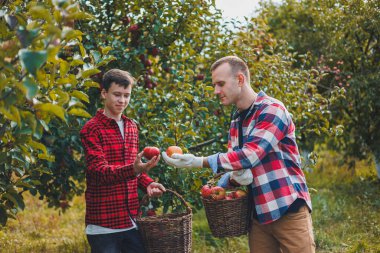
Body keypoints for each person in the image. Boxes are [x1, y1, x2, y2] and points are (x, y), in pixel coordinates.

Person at [162, 56, 316, 253]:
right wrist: (222, 184)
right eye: (214, 85)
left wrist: (199, 161)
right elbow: (237, 164)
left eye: (221, 84)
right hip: (259, 213)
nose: (216, 91)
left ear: (240, 80)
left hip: (286, 207)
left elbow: (249, 156)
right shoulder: (236, 120)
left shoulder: (272, 109)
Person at [80, 69, 165, 253]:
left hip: (131, 220)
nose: (122, 101)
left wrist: (148, 183)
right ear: (104, 93)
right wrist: (134, 170)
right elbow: (99, 171)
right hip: (104, 223)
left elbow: (134, 169)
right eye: (117, 95)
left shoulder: (131, 126)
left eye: (127, 96)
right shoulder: (92, 129)